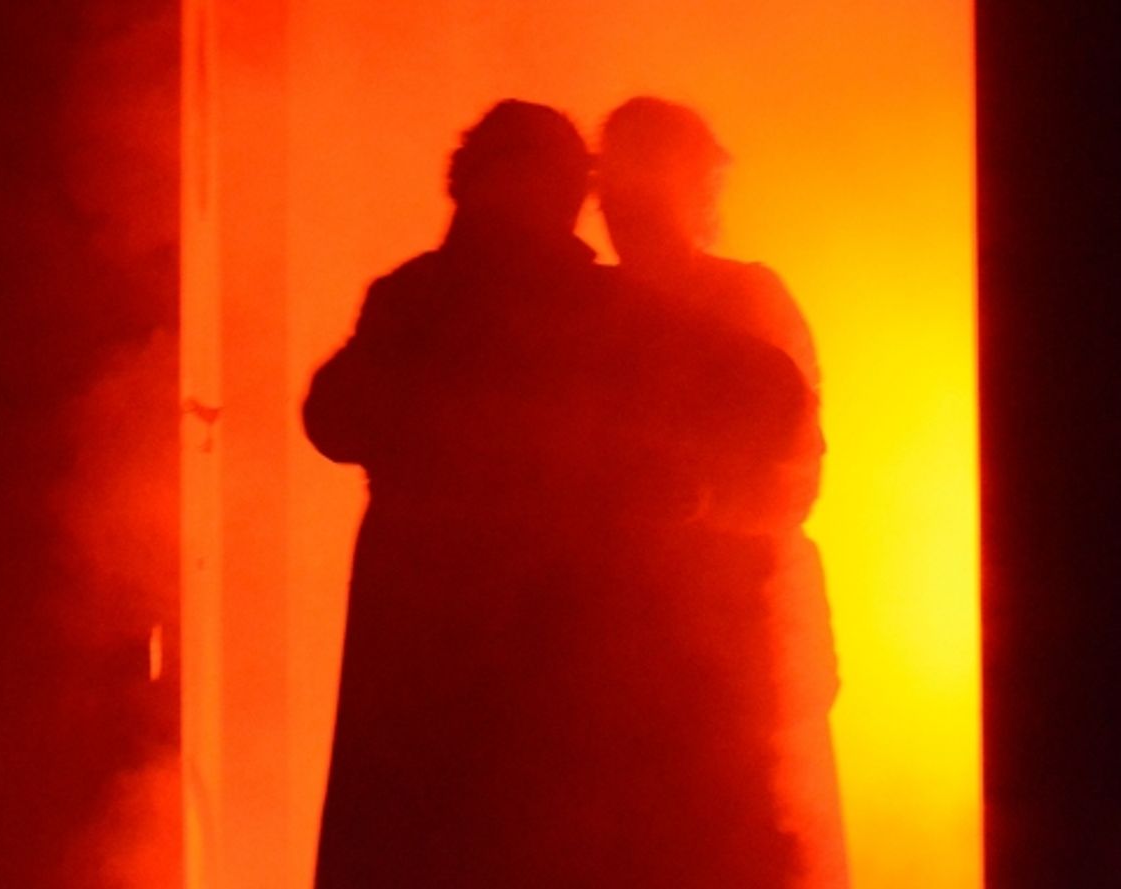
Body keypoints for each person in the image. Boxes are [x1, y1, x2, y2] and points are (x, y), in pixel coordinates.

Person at [304, 99, 807, 889]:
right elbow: (774, 401)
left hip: (416, 693)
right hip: (558, 697)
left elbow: (330, 420)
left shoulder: (408, 305)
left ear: (468, 183)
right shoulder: (609, 316)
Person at [597, 96, 848, 889]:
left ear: (691, 189)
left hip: (746, 660)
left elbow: (797, 474)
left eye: (641, 175)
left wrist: (708, 507)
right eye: (611, 178)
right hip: (635, 678)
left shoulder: (746, 301)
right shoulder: (587, 312)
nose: (618, 199)